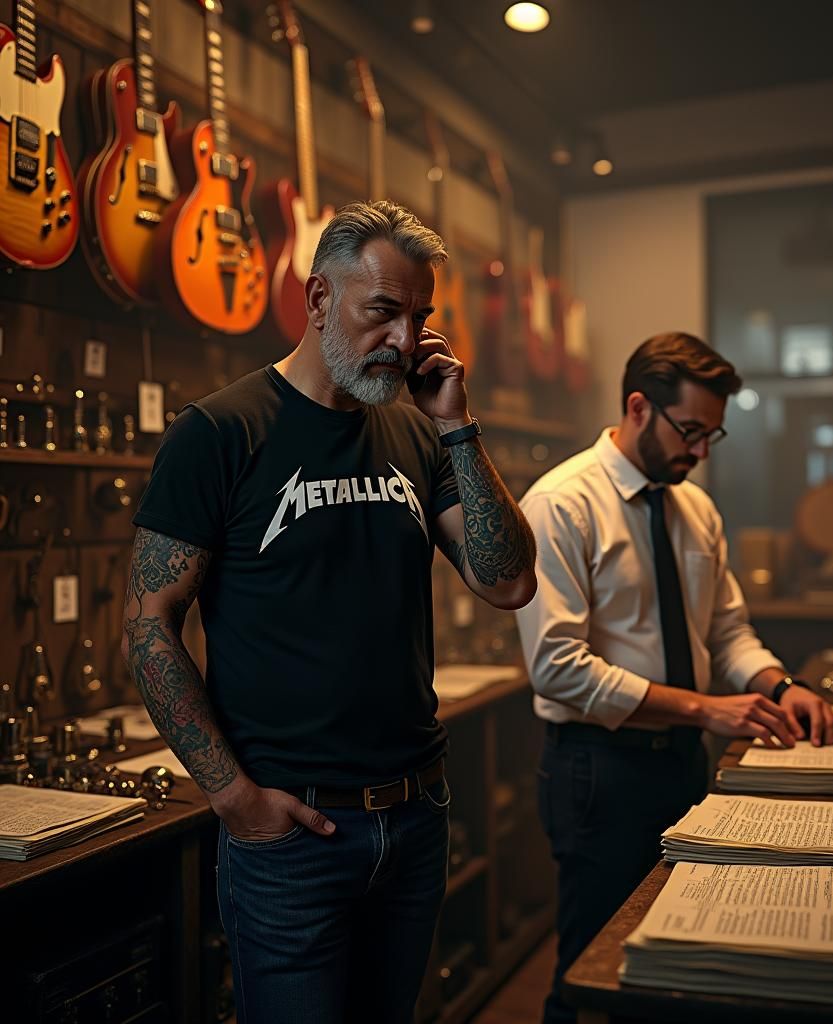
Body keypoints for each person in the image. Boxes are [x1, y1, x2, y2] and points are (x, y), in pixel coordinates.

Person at [122, 200, 537, 1024]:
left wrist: (457, 426)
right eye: (382, 311)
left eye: (419, 317)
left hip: (416, 815)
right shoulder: (219, 432)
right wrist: (233, 797)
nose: (404, 339)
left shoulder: (417, 436)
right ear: (318, 299)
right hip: (293, 835)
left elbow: (508, 582)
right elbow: (148, 623)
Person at [514, 331, 833, 1024]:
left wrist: (782, 687)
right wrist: (705, 709)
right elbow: (556, 668)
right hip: (598, 768)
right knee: (592, 974)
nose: (700, 453)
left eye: (712, 435)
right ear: (639, 407)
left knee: (671, 961)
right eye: (690, 431)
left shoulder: (695, 508)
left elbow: (726, 632)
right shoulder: (561, 503)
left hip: (682, 762)